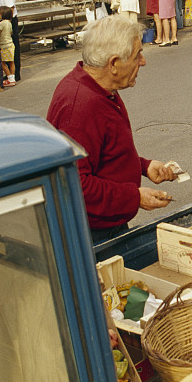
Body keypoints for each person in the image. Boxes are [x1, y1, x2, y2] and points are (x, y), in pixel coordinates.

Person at [47, 15, 178, 243]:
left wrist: (143, 166)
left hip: (107, 224)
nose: (143, 62)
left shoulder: (102, 89)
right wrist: (134, 197)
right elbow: (75, 185)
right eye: (137, 55)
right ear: (114, 64)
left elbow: (102, 153)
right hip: (91, 235)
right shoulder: (80, 106)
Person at [0, 5, 16, 86]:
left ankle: (9, 78)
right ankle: (13, 77)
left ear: (1, 15)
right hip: (10, 44)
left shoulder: (1, 24)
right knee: (11, 62)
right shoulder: (9, 23)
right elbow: (11, 33)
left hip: (4, 46)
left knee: (2, 63)